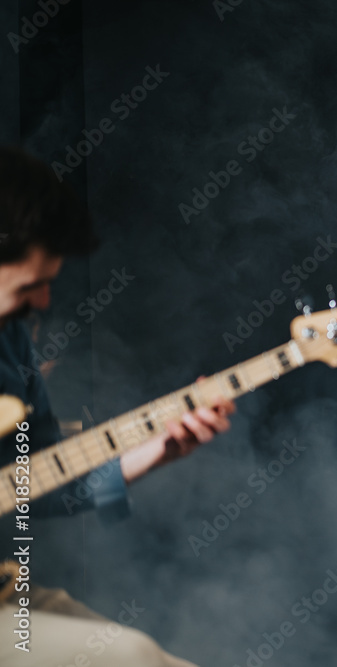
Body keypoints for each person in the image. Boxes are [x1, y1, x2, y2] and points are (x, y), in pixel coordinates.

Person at [0, 146, 235, 666]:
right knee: (131, 657)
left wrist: (153, 451)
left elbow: (35, 482)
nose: (43, 302)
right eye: (31, 284)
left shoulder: (10, 340)